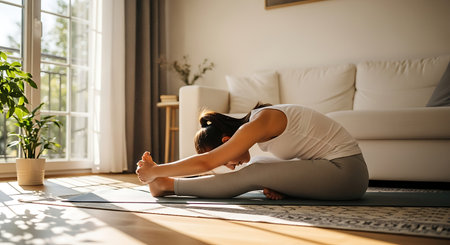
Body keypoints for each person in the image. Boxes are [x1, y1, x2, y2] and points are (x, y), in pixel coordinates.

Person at [136, 103, 369, 200]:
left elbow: (207, 162)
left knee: (255, 170)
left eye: (225, 159)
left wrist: (156, 171)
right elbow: (308, 153)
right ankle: (164, 182)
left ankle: (167, 185)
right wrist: (287, 186)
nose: (229, 165)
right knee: (260, 163)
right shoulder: (262, 123)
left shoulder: (259, 123)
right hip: (338, 170)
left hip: (348, 173)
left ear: (227, 141)